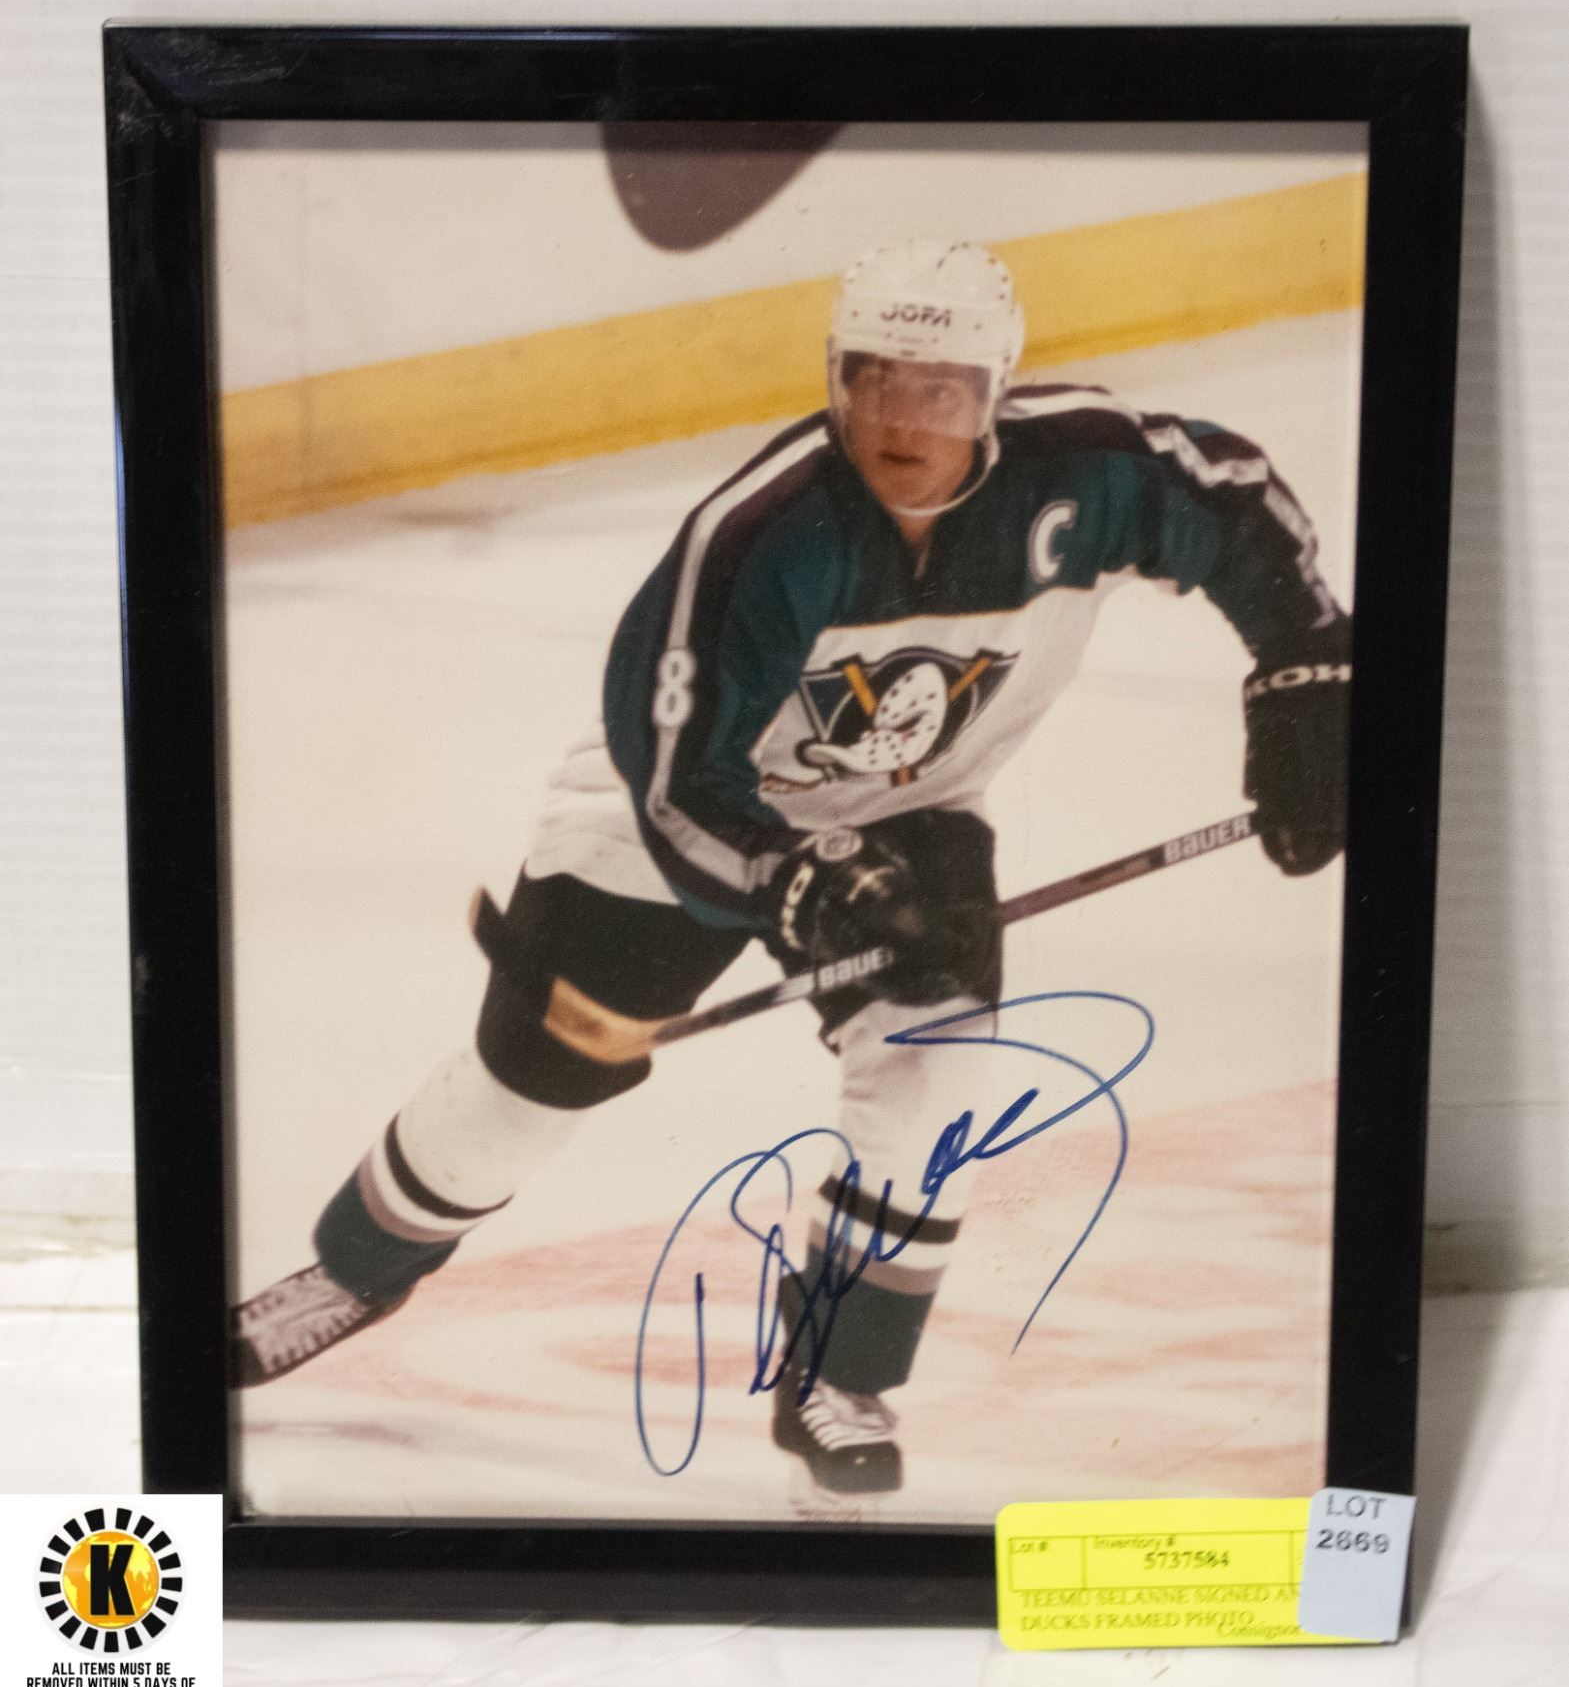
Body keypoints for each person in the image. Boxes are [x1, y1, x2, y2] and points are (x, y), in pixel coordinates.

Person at [232, 239, 1350, 1508]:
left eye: (940, 391)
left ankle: (837, 1374)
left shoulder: (1087, 474)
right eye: (876, 382)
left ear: (993, 393)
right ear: (836, 379)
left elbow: (1232, 494)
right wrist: (793, 881)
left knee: (937, 1074)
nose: (903, 421)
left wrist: (1306, 668)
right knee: (532, 1086)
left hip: (913, 808)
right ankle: (356, 1269)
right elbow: (677, 782)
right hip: (676, 816)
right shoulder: (763, 536)